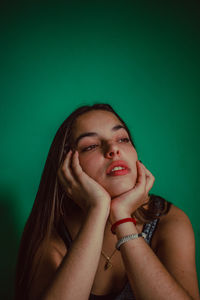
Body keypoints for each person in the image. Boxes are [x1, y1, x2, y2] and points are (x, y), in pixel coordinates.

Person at [15, 103, 199, 300]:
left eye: (122, 139)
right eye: (91, 146)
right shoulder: (53, 237)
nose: (113, 148)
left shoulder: (169, 221)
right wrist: (97, 208)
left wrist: (121, 216)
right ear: (68, 168)